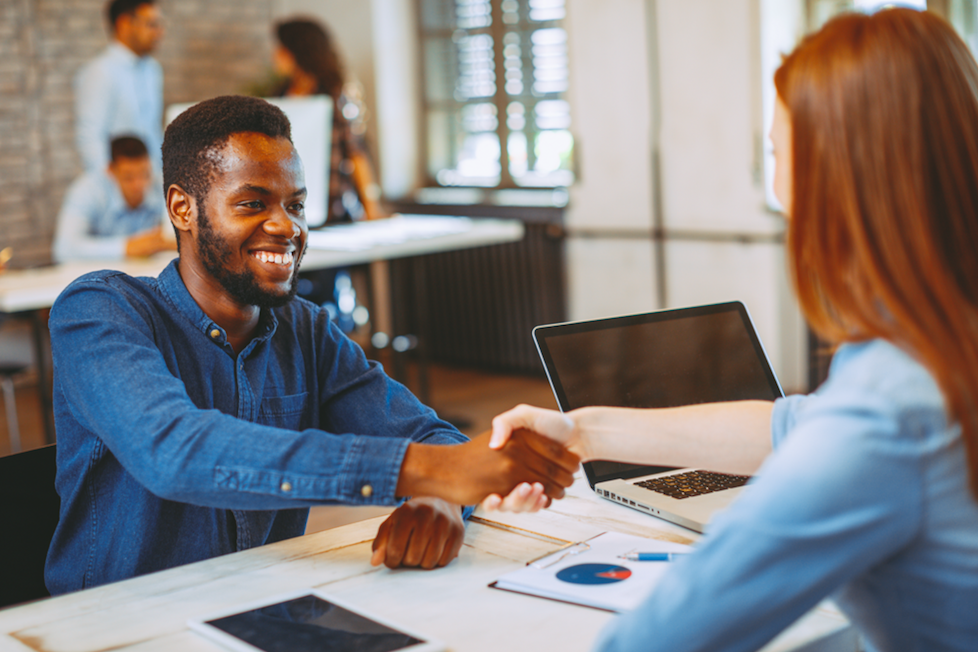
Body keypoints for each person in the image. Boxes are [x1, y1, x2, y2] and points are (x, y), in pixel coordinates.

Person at [487, 9, 978, 652]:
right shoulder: (934, 350)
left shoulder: (890, 409)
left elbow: (663, 639)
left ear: (836, 180)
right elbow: (796, 425)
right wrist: (584, 430)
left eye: (777, 152)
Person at [44, 95, 579, 595]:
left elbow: (430, 435)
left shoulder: (304, 329)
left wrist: (439, 497)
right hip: (116, 626)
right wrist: (427, 471)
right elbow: (175, 451)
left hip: (259, 611)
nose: (286, 226)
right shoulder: (99, 311)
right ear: (182, 209)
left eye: (296, 205)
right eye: (253, 203)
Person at [272, 18, 382, 224]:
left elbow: (356, 152)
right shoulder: (279, 96)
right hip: (291, 209)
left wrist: (372, 208)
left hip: (334, 209)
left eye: (281, 49)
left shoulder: (334, 96)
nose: (275, 56)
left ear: (298, 51)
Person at [74, 0, 164, 174]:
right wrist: (114, 188)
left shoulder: (153, 70)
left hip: (149, 183)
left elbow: (152, 131)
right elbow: (90, 137)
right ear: (124, 23)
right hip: (120, 187)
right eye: (151, 24)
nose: (159, 32)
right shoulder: (100, 72)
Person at [53, 135, 174, 262]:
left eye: (145, 174)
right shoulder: (87, 191)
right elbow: (64, 250)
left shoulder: (164, 186)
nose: (139, 185)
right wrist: (126, 247)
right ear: (111, 170)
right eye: (128, 177)